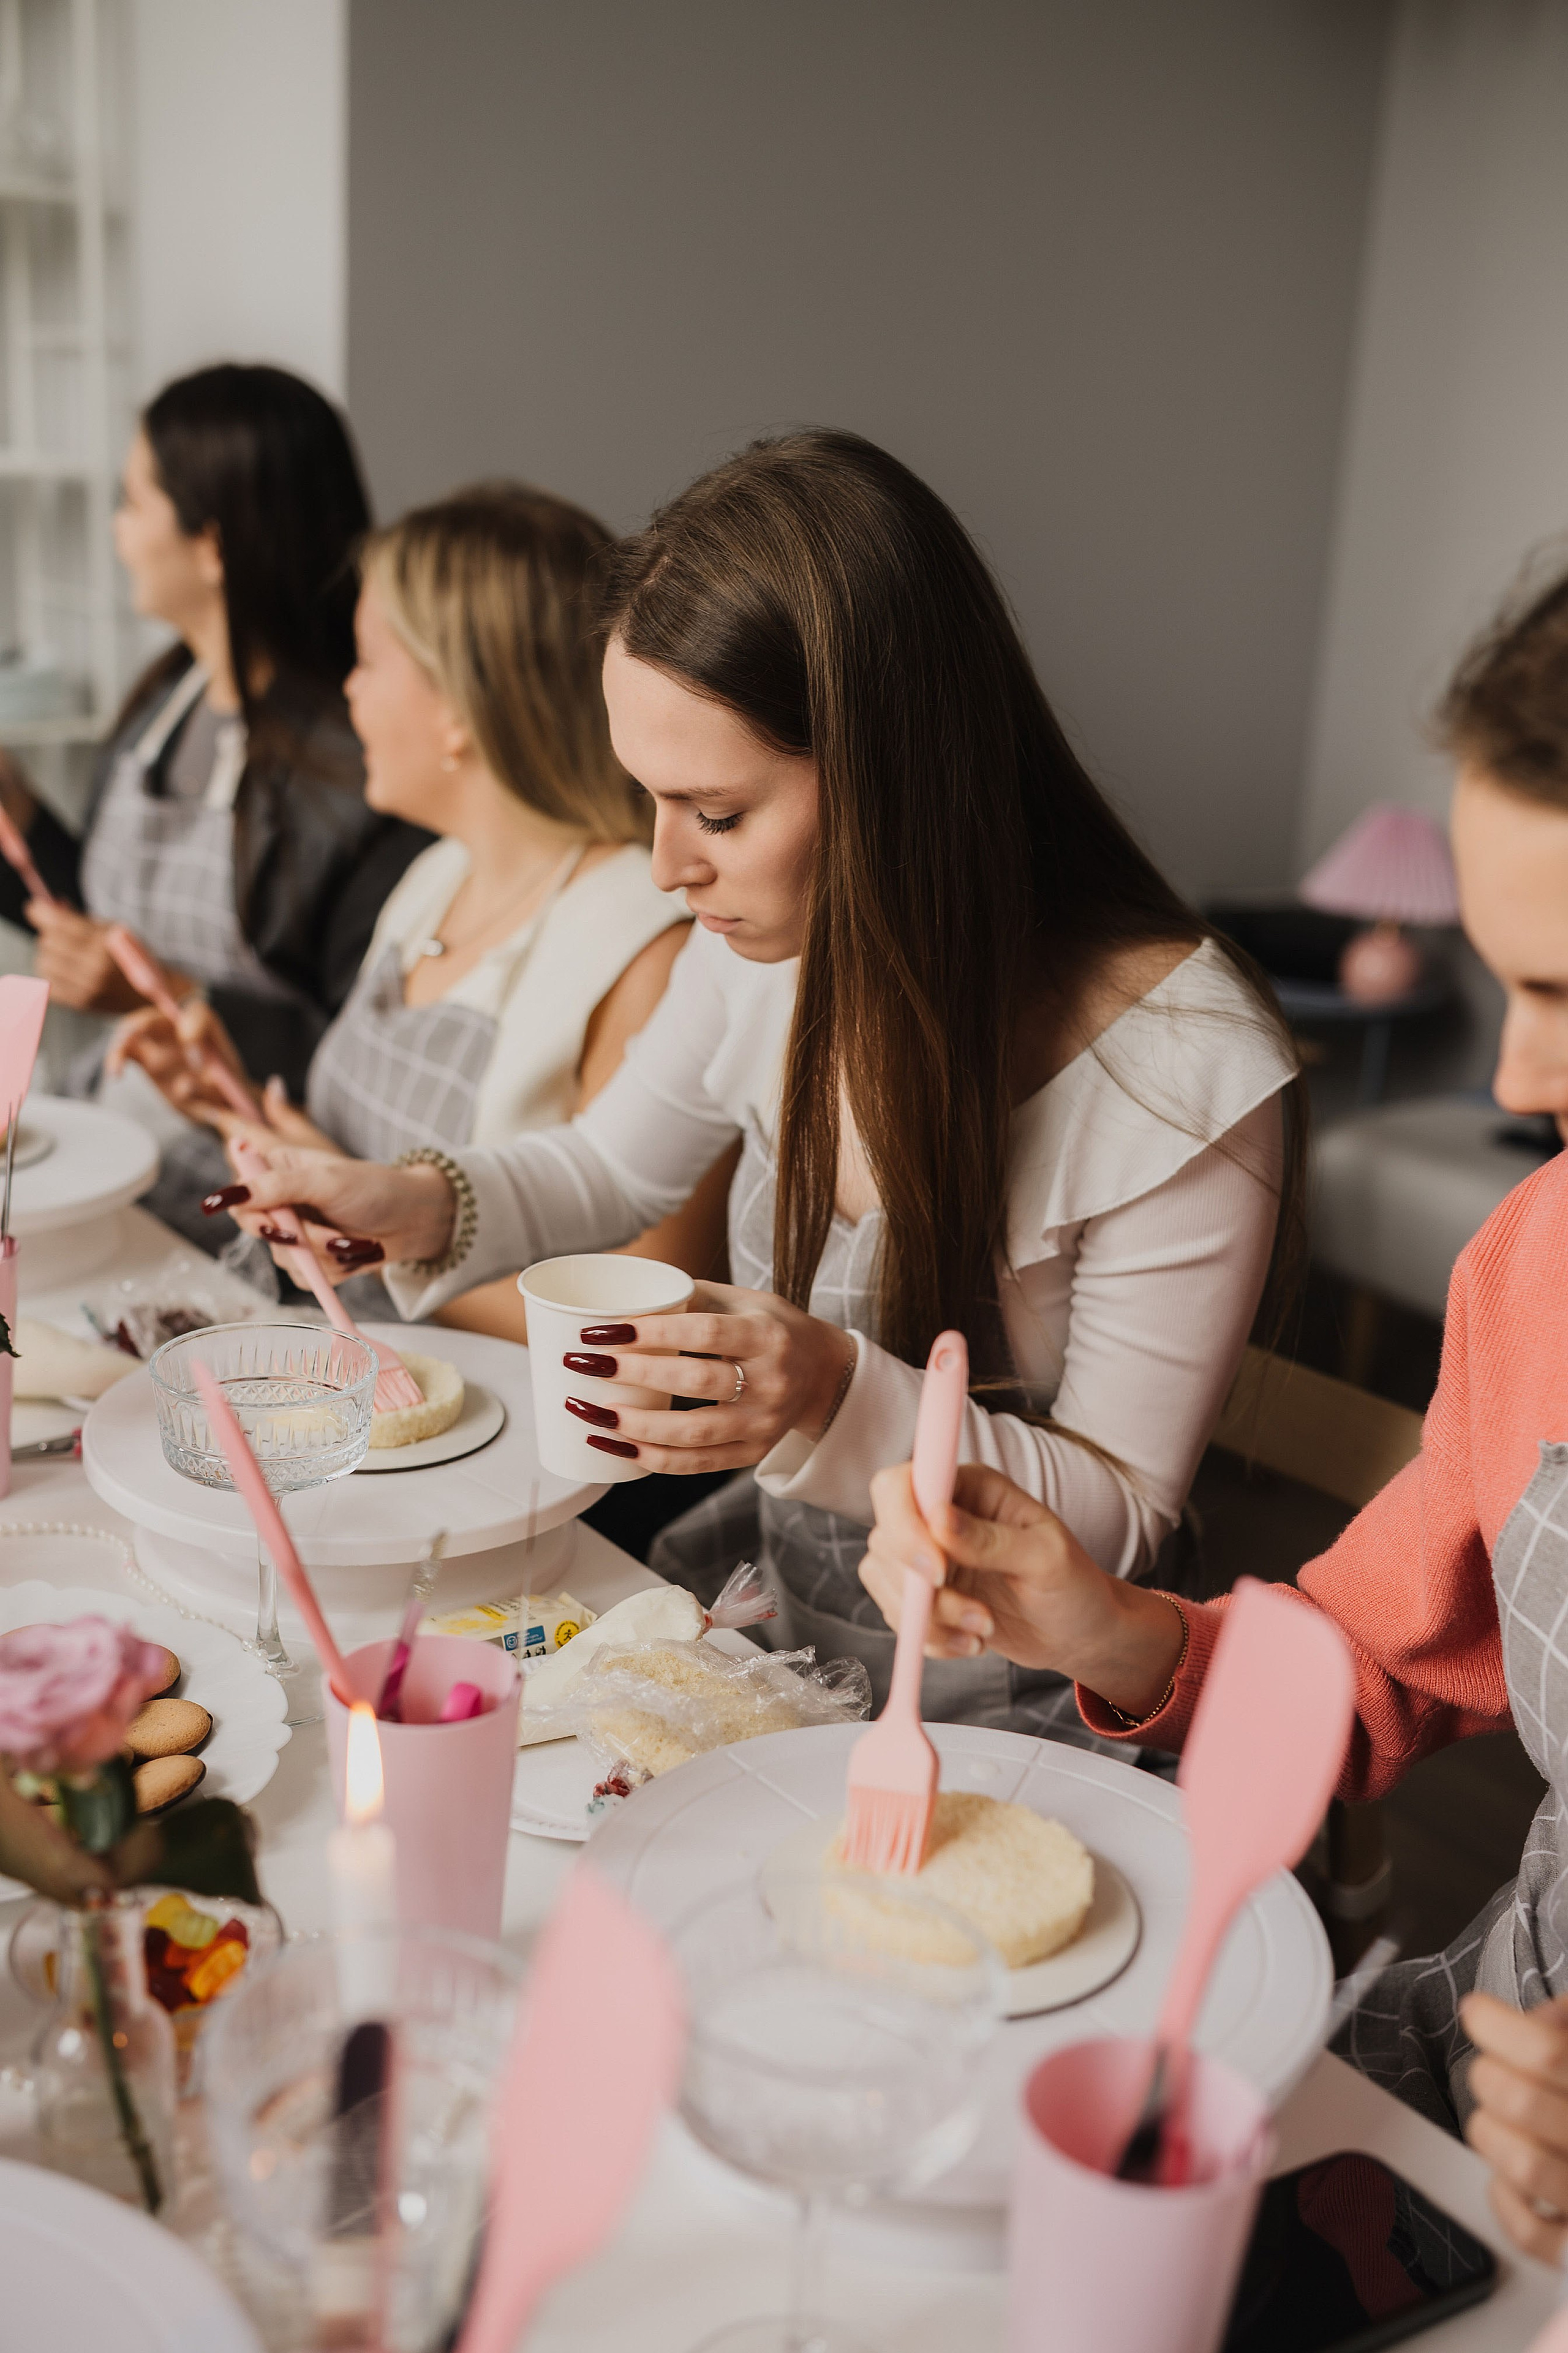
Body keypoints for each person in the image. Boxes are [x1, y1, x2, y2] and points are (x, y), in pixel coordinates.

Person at [221, 428, 1300, 1740]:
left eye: (715, 813)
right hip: (784, 1622)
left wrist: (832, 1388)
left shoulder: (1178, 1071)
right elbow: (610, 1169)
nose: (665, 865)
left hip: (1025, 1705)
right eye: (647, 800)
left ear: (899, 779)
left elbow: (1120, 1517)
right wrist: (414, 1197)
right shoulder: (764, 947)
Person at [856, 553, 1568, 2266]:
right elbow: (1377, 1665)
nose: (1512, 1080)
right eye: (1514, 983)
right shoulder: (1539, 1261)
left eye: (1567, 997)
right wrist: (1117, 1634)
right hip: (1489, 2090)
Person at [110, 481, 725, 1332]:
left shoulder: (644, 941)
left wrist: (382, 1241)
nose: (348, 693)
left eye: (366, 659)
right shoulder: (432, 877)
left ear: (457, 706)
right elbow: (350, 1166)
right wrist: (228, 1100)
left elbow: (653, 1317)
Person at [0, 363, 430, 1235]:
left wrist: (172, 1001)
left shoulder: (360, 775)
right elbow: (103, 919)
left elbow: (375, 1062)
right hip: (117, 1168)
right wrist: (16, 806)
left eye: (131, 504)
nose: (117, 534)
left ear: (214, 542)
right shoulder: (170, 697)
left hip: (247, 1219)